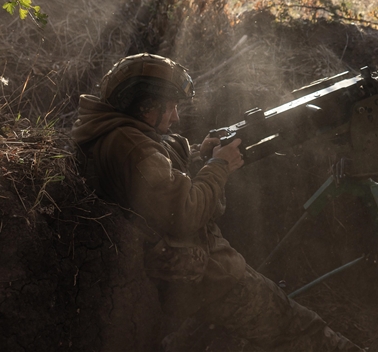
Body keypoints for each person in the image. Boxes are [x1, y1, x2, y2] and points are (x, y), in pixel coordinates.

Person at [72, 53, 361, 351]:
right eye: (170, 106)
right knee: (295, 327)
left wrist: (200, 155)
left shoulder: (110, 132)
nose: (176, 117)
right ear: (144, 106)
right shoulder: (133, 148)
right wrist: (219, 166)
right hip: (203, 276)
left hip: (172, 279)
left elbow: (157, 181)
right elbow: (183, 214)